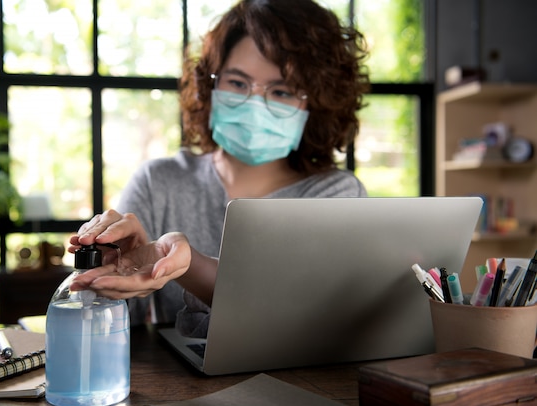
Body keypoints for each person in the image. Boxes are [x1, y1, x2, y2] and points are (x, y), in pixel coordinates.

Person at [69, 0, 369, 338]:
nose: (255, 104)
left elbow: (307, 318)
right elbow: (95, 323)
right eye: (238, 84)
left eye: (281, 91)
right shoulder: (159, 182)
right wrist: (105, 266)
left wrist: (186, 264)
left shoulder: (337, 195)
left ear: (316, 103)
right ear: (210, 86)